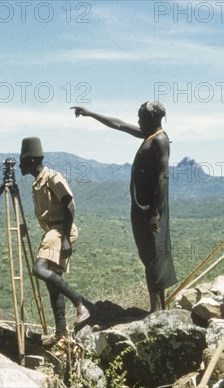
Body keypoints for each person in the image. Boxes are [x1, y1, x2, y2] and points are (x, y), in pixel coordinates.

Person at [71, 102, 177, 312]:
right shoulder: (148, 135)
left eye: (141, 116)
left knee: (153, 253)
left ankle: (157, 310)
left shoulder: (160, 140)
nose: (137, 120)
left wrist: (155, 212)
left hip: (151, 208)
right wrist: (90, 113)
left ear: (152, 118)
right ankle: (158, 308)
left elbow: (163, 176)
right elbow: (119, 124)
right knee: (148, 254)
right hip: (143, 207)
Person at [19, 136, 92, 346]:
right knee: (53, 286)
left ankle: (81, 303)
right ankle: (61, 333)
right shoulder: (38, 181)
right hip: (53, 230)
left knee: (38, 268)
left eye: (24, 161)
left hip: (61, 229)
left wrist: (66, 238)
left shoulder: (52, 177)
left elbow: (70, 205)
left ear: (33, 161)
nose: (21, 166)